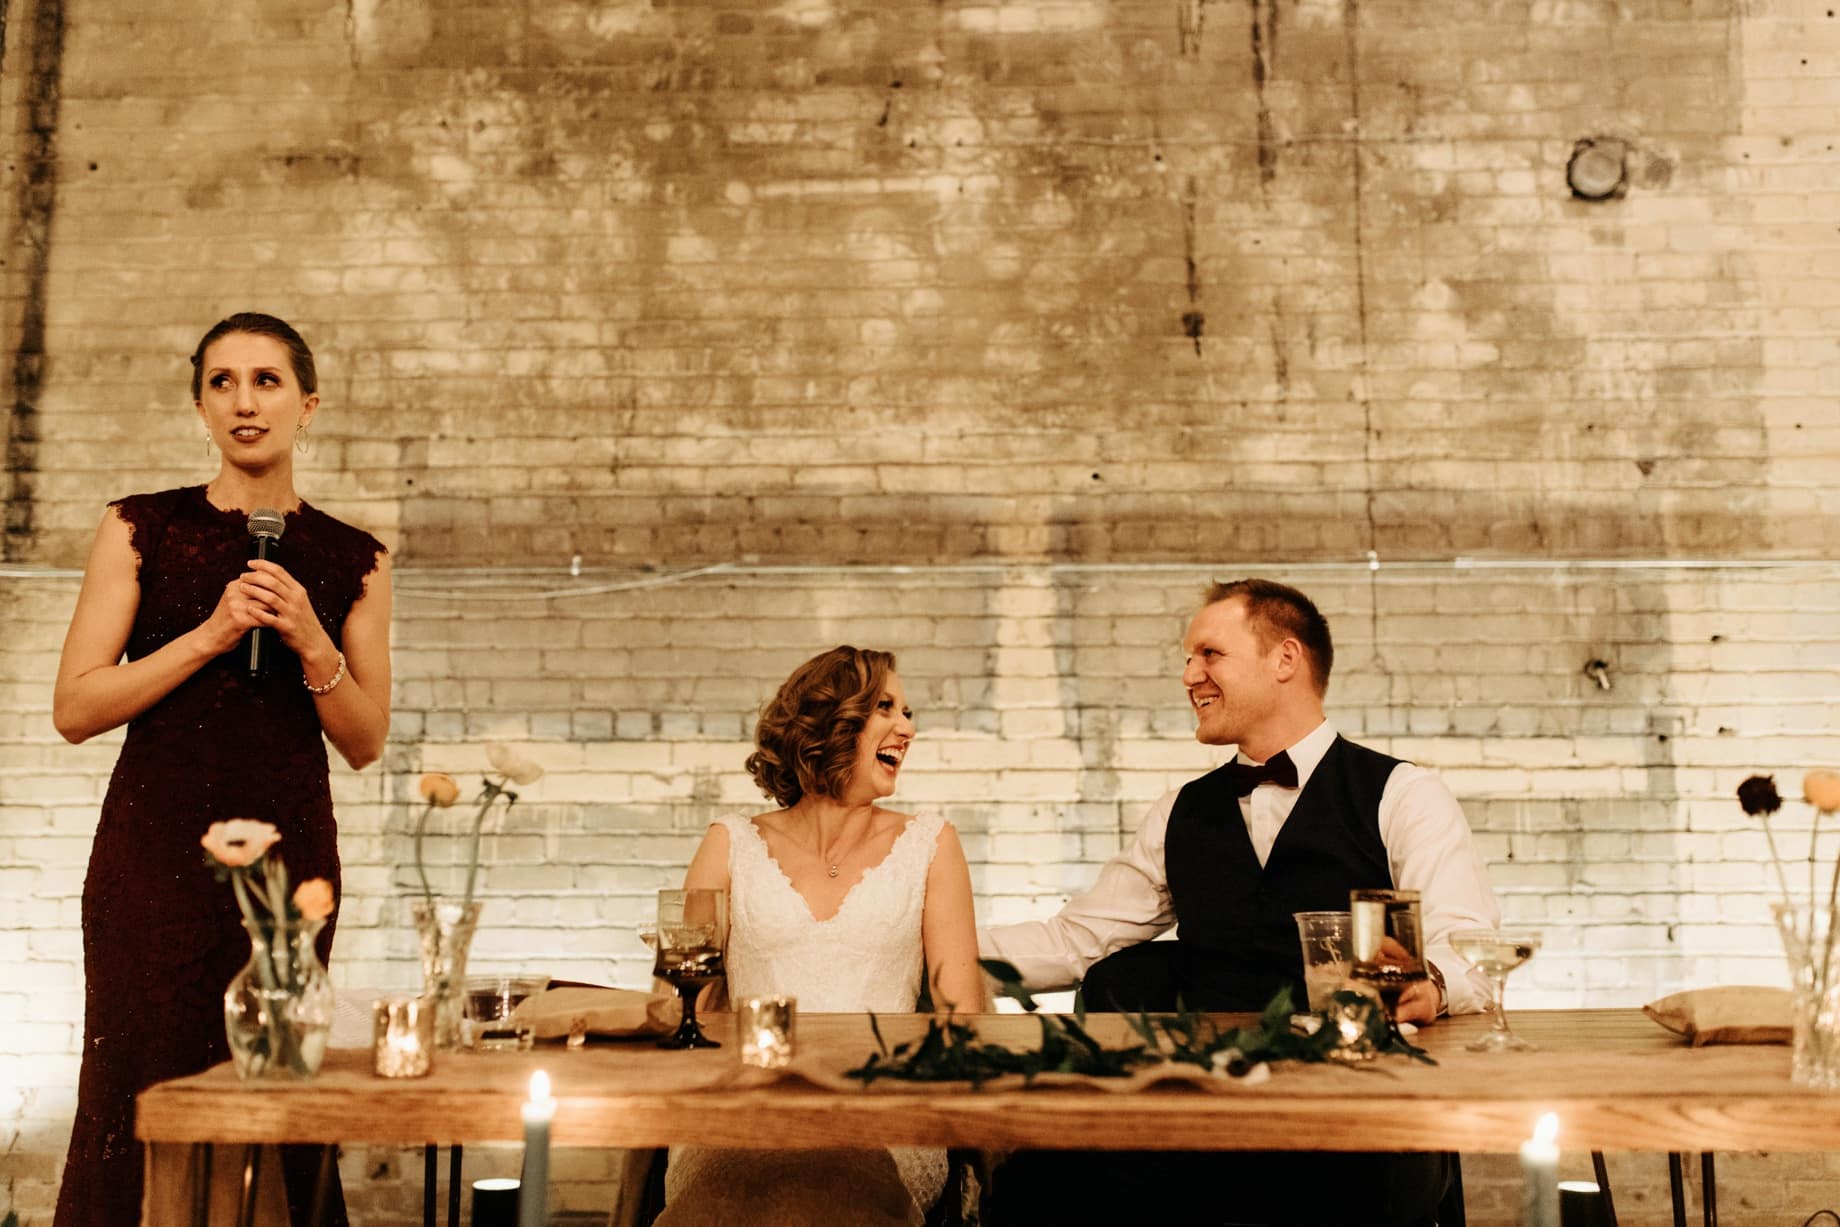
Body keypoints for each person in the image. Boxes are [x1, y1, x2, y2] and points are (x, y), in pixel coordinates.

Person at [979, 578, 1498, 1226]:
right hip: (1202, 1126)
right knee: (1036, 1177)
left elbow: (1466, 937)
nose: (1188, 674)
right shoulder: (1181, 810)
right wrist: (928, 946)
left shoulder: (1404, 794)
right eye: (1189, 658)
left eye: (1209, 654)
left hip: (1356, 1120)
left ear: (1285, 659)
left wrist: (1432, 982)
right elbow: (1075, 941)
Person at [51, 313, 391, 1227]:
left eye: (268, 381)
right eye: (223, 382)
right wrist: (210, 633)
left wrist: (311, 636)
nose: (246, 401)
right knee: (140, 1087)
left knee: (280, 1094)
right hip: (152, 858)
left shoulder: (355, 556)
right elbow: (75, 709)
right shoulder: (138, 527)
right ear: (201, 404)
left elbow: (365, 739)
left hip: (289, 860)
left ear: (308, 405)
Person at [655, 646, 984, 1227]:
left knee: (831, 1194)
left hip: (884, 1116)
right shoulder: (728, 843)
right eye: (886, 707)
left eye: (908, 713)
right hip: (743, 1109)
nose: (907, 728)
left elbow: (963, 1024)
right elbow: (675, 1007)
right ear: (831, 721)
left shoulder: (933, 844)